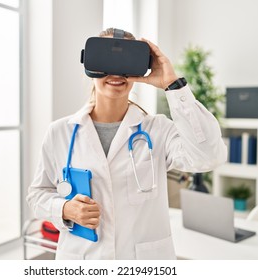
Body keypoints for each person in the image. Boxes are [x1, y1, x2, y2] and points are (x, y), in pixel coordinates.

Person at [26, 28, 227, 260]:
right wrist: (64, 209)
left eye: (126, 63)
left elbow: (209, 156)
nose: (116, 73)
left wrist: (172, 84)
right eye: (106, 60)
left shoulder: (158, 130)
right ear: (90, 64)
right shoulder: (60, 132)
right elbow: (37, 194)